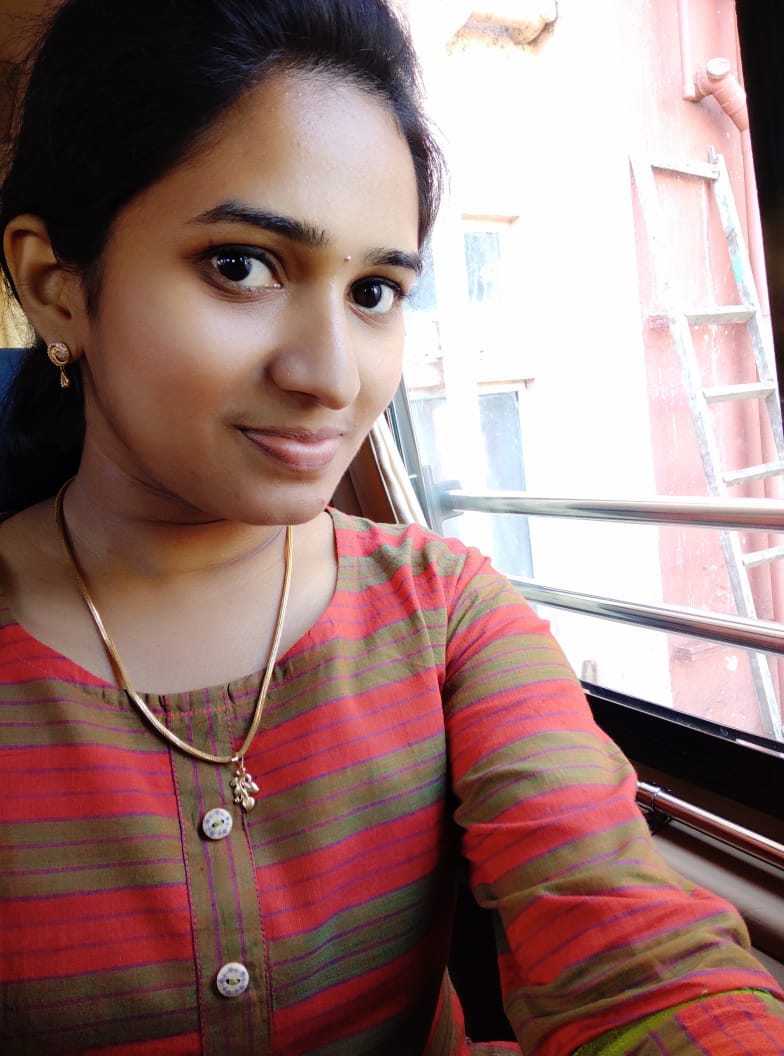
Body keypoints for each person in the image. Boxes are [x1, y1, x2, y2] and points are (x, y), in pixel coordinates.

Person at [0, 1, 782, 1053]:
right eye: (241, 265)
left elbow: (634, 959)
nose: (330, 376)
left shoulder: (446, 615)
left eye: (374, 290)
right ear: (56, 286)